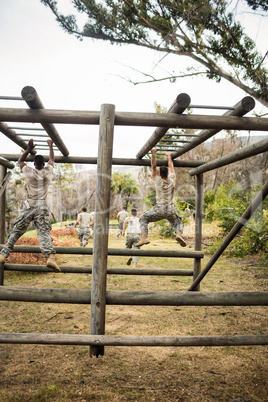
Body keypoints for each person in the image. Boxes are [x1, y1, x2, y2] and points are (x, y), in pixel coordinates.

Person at [0, 139, 61, 272]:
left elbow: (20, 161)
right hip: (42, 206)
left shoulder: (29, 171)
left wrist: (28, 149)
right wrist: (50, 145)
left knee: (17, 230)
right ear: (43, 164)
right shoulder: (47, 172)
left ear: (34, 164)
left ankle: (3, 254)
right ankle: (50, 257)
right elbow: (52, 159)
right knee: (43, 232)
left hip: (29, 204)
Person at [135, 148, 186, 247]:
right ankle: (179, 234)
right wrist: (169, 156)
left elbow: (153, 167)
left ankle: (144, 237)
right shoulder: (172, 180)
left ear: (159, 174)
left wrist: (153, 154)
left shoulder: (158, 180)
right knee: (177, 221)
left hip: (160, 208)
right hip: (171, 209)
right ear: (167, 173)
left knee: (143, 218)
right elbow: (171, 167)